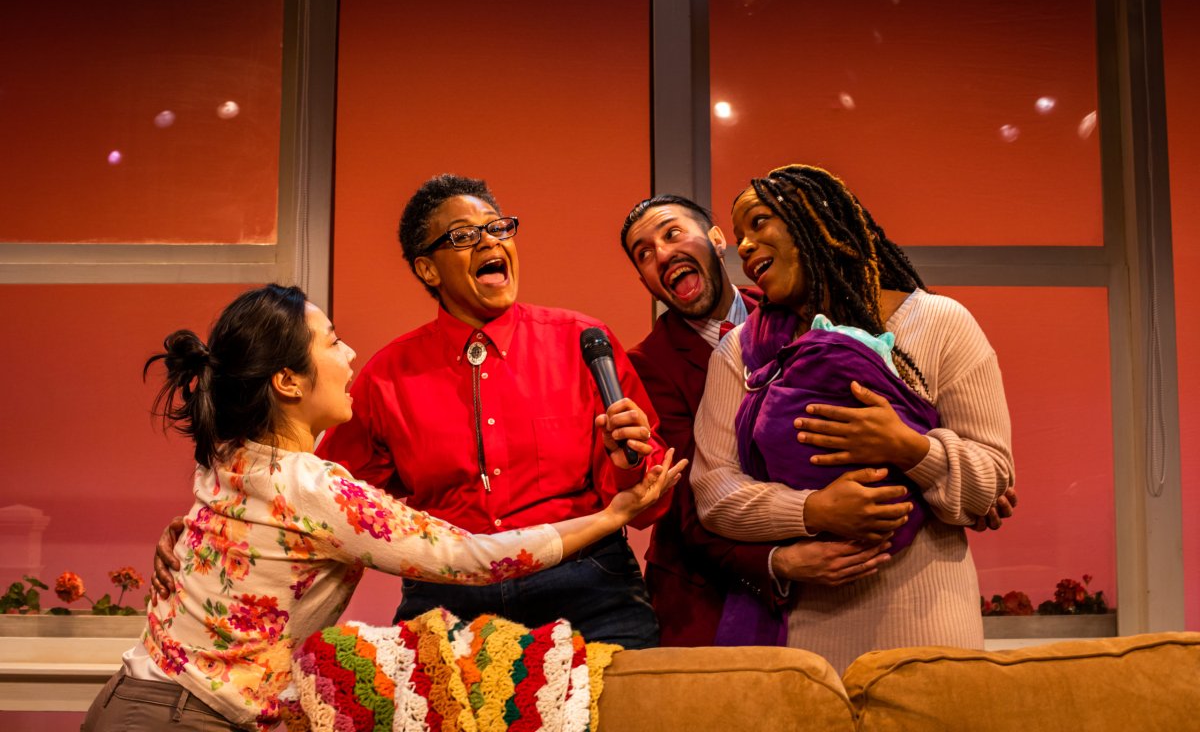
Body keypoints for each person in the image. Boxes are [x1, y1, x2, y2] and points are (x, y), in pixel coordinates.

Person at [87, 284, 680, 732]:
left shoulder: (229, 457)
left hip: (139, 701)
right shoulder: (313, 489)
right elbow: (469, 558)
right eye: (333, 341)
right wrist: (610, 517)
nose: (350, 355)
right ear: (289, 381)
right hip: (181, 719)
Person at [314, 174, 672, 648]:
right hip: (448, 598)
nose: (489, 242)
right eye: (464, 236)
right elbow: (320, 501)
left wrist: (628, 465)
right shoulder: (387, 377)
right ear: (428, 270)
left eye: (498, 228)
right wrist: (210, 531)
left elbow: (652, 502)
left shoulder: (582, 340)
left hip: (586, 585)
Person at [691, 164, 1016, 671]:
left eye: (758, 224)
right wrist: (814, 510)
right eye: (739, 238)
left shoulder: (939, 324)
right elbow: (713, 492)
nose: (746, 247)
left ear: (815, 219)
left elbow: (992, 482)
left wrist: (908, 447)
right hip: (799, 648)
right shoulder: (739, 353)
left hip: (927, 638)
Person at [620, 195, 893, 646]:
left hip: (837, 593)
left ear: (716, 239)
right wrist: (777, 561)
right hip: (707, 603)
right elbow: (692, 498)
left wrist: (937, 473)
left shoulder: (801, 313)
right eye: (644, 254)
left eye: (671, 234)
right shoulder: (647, 365)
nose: (662, 254)